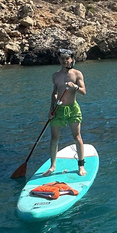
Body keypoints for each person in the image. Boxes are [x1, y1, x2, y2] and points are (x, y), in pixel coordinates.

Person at [43, 48, 87, 177]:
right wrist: (51, 109)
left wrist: (75, 87)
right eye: (62, 58)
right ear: (59, 60)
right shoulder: (55, 75)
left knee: (77, 137)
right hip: (58, 109)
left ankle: (81, 166)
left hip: (73, 109)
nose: (64, 61)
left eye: (67, 58)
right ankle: (52, 166)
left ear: (71, 60)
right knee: (54, 138)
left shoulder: (77, 74)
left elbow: (84, 92)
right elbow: (55, 92)